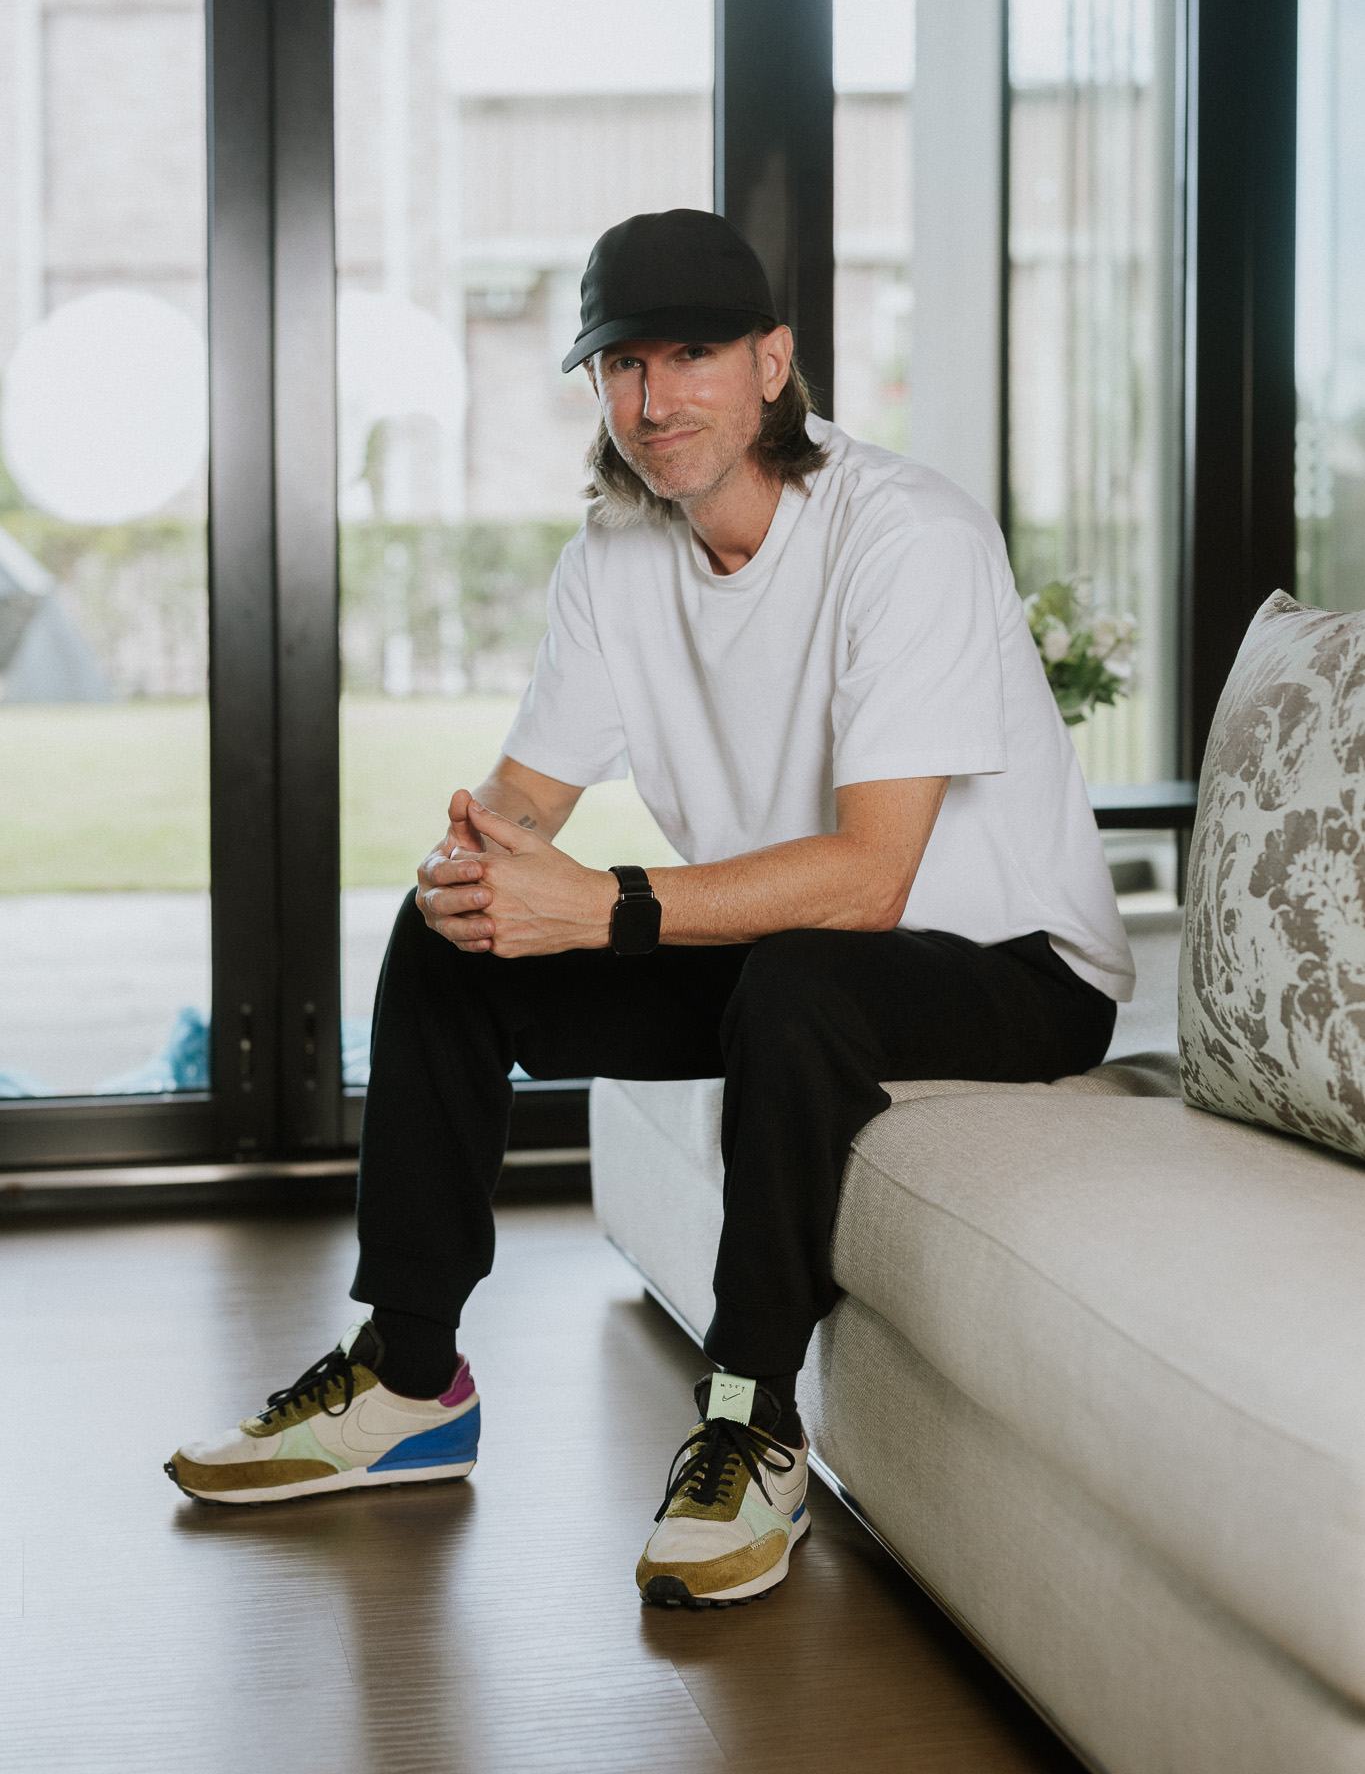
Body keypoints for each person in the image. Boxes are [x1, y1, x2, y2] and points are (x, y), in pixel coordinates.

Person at [167, 208, 1133, 1608]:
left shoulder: (902, 534)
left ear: (772, 363)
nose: (652, 397)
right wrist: (479, 866)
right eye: (619, 364)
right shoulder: (613, 559)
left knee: (799, 979)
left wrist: (608, 907)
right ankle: (408, 1381)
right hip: (778, 952)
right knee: (448, 944)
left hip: (1009, 961)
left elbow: (873, 877)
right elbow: (521, 802)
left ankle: (750, 1420)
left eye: (690, 354)